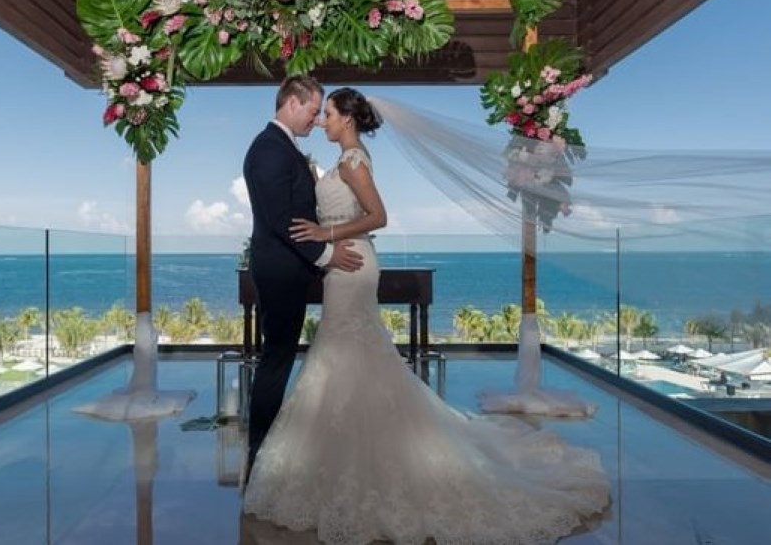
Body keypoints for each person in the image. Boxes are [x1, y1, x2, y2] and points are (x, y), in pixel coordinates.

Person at [242, 87, 610, 545]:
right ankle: (344, 458)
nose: (322, 122)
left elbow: (378, 215)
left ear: (348, 120)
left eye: (329, 114)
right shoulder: (333, 159)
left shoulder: (354, 161)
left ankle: (352, 463)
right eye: (318, 114)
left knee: (344, 354)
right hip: (340, 262)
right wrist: (322, 238)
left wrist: (327, 233)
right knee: (345, 358)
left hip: (351, 262)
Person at [242, 75, 364, 480]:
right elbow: (282, 221)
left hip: (287, 267)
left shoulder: (281, 148)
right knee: (276, 359)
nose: (315, 121)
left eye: (320, 114)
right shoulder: (269, 150)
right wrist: (328, 254)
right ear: (292, 103)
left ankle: (264, 446)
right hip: (280, 271)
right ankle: (258, 451)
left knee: (278, 357)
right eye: (314, 112)